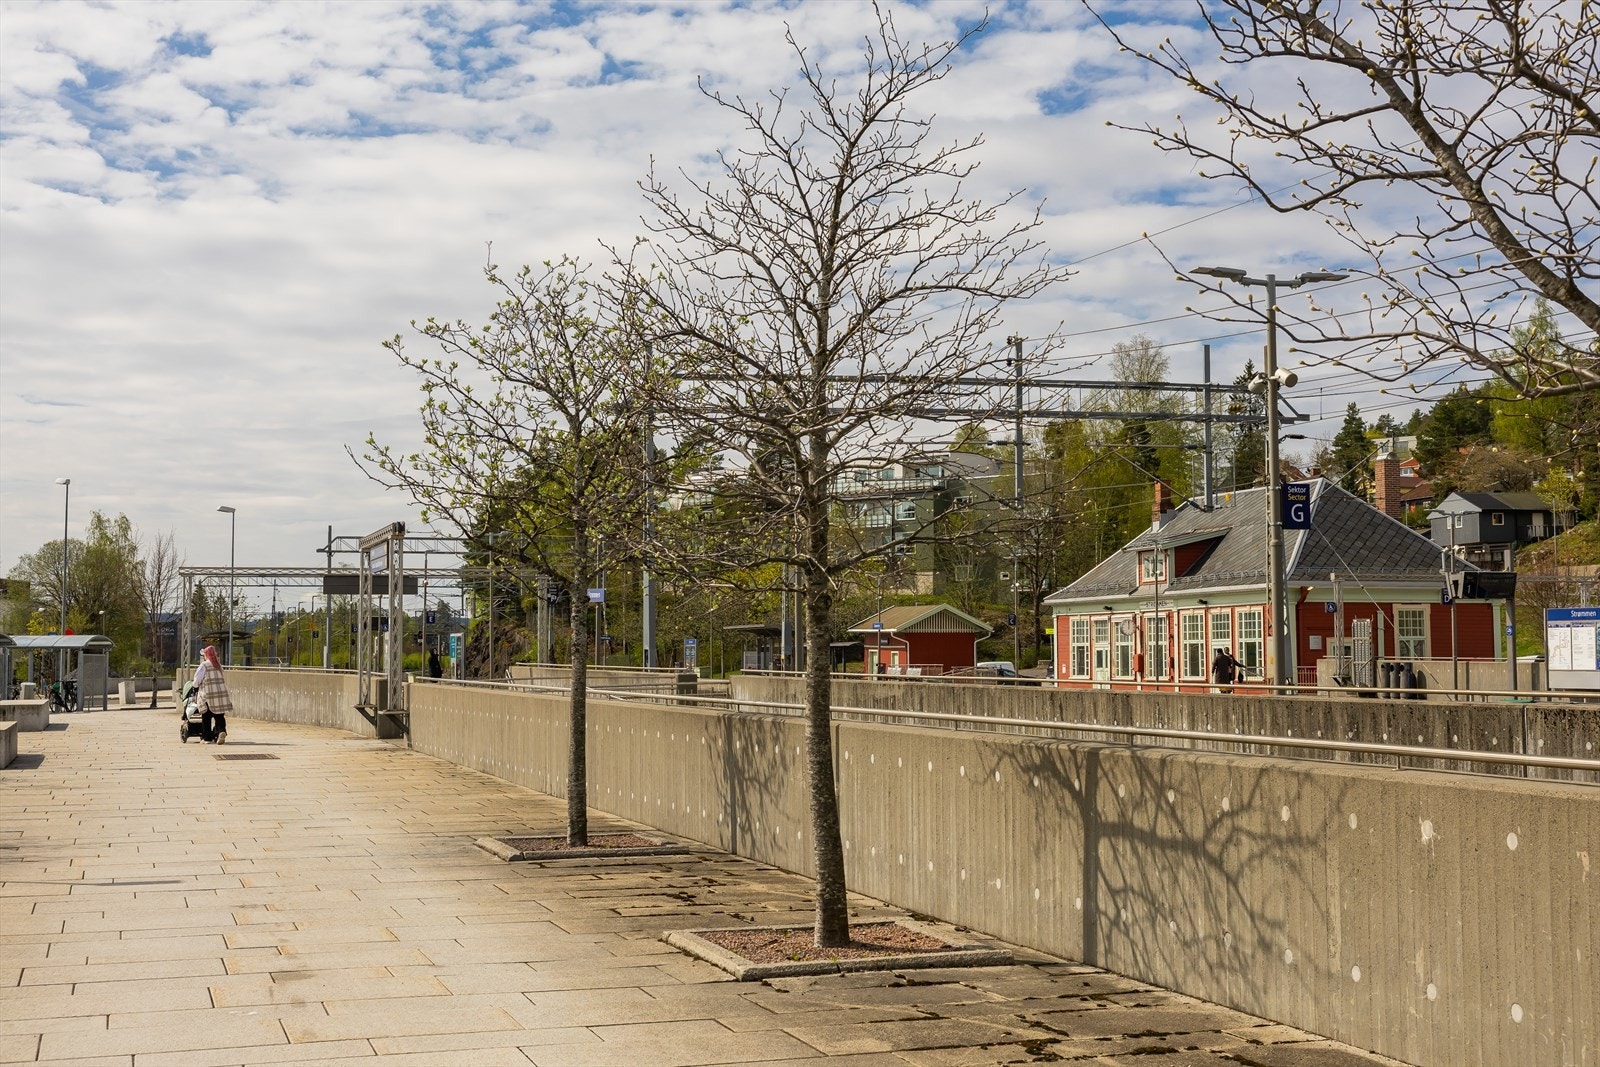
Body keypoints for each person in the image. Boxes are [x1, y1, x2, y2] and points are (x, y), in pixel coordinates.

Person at [195, 645, 233, 743]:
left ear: (206, 655)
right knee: (219, 715)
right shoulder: (218, 665)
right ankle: (221, 731)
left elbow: (197, 680)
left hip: (208, 694)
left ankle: (207, 738)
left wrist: (195, 686)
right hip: (220, 694)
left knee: (206, 716)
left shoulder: (204, 665)